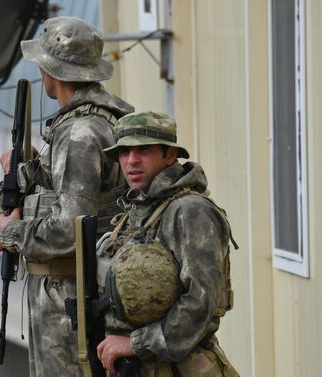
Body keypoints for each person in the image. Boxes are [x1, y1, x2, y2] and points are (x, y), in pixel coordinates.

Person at [0, 16, 134, 377]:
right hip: (82, 289)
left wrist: (10, 232)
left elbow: (71, 229)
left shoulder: (79, 134)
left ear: (51, 72)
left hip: (69, 295)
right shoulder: (107, 118)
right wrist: (25, 170)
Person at [95, 111, 240, 376]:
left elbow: (200, 302)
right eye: (124, 152)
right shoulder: (136, 209)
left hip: (181, 367)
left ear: (170, 155)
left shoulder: (190, 211)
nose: (132, 161)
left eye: (144, 150)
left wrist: (135, 344)